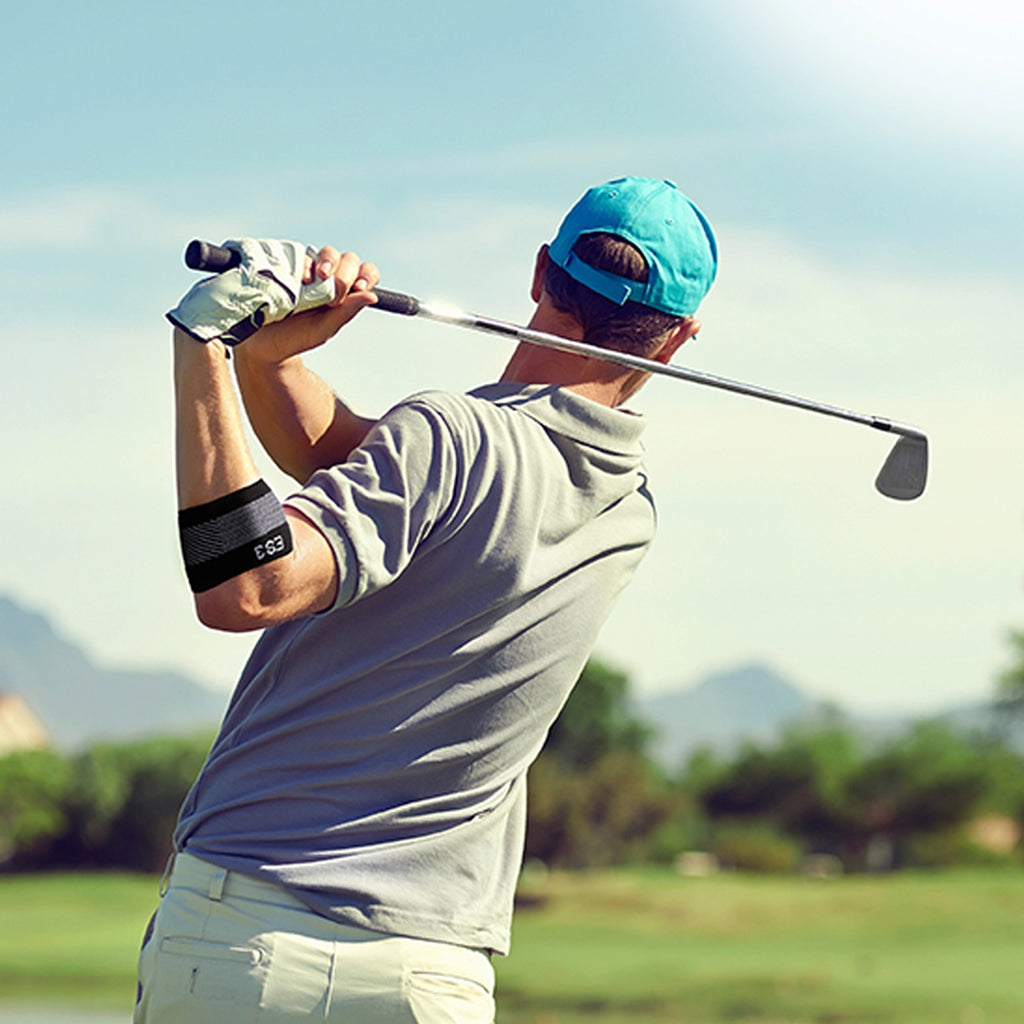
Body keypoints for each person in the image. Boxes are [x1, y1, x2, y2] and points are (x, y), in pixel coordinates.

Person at [136, 176, 717, 1024]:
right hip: (432, 979)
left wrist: (207, 345)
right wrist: (274, 360)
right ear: (677, 339)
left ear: (538, 275)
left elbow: (248, 582)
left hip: (251, 932)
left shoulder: (450, 436)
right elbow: (353, 467)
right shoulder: (627, 511)